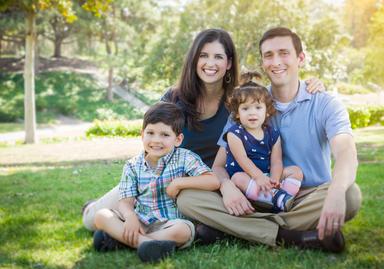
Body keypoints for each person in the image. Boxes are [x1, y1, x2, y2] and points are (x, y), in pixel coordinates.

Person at [81, 28, 324, 232]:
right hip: (164, 180)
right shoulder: (173, 98)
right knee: (92, 221)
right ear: (194, 60)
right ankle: (95, 208)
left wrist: (314, 83)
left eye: (218, 57)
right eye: (203, 56)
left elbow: (275, 92)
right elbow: (153, 147)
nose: (210, 63)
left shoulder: (239, 101)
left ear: (229, 63)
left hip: (209, 185)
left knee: (183, 216)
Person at [176, 27, 361, 253]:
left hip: (303, 197)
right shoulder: (249, 102)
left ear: (300, 58)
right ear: (263, 62)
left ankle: (238, 228)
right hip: (252, 196)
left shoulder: (325, 103)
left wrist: (335, 191)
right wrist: (226, 187)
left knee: (350, 194)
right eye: (268, 56)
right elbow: (219, 166)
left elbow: (346, 154)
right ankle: (294, 236)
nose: (276, 62)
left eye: (284, 53)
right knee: (187, 198)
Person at [93, 101, 220, 263]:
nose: (156, 140)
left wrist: (179, 183)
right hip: (140, 220)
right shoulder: (132, 166)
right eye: (150, 133)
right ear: (142, 135)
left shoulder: (185, 157)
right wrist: (130, 216)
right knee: (102, 216)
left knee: (185, 231)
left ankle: (122, 242)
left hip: (169, 223)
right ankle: (147, 244)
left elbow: (213, 181)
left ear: (178, 139)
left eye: (165, 135)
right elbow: (126, 202)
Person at [224, 70, 303, 214]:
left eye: (258, 107)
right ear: (237, 113)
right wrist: (258, 177)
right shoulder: (234, 133)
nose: (252, 113)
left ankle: (281, 199)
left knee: (296, 171)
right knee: (237, 178)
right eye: (245, 108)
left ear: (267, 111)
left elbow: (276, 162)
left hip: (266, 176)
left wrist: (273, 181)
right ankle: (275, 200)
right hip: (246, 178)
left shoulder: (272, 134)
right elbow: (241, 158)